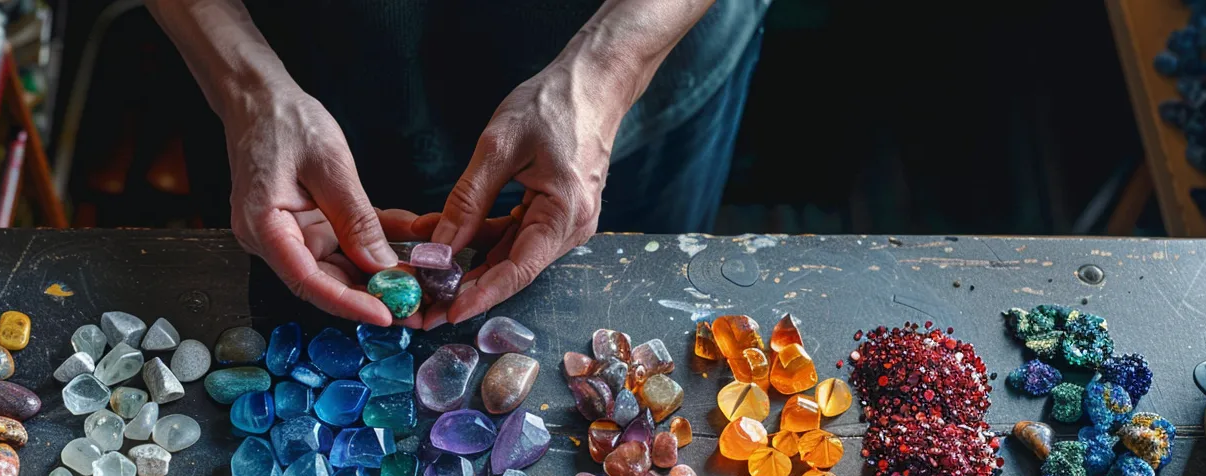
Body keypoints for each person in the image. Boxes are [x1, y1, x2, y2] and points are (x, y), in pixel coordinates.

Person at [148, 0, 768, 328]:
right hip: (278, 90)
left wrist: (610, 69)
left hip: (634, 75)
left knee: (626, 306)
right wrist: (248, 92)